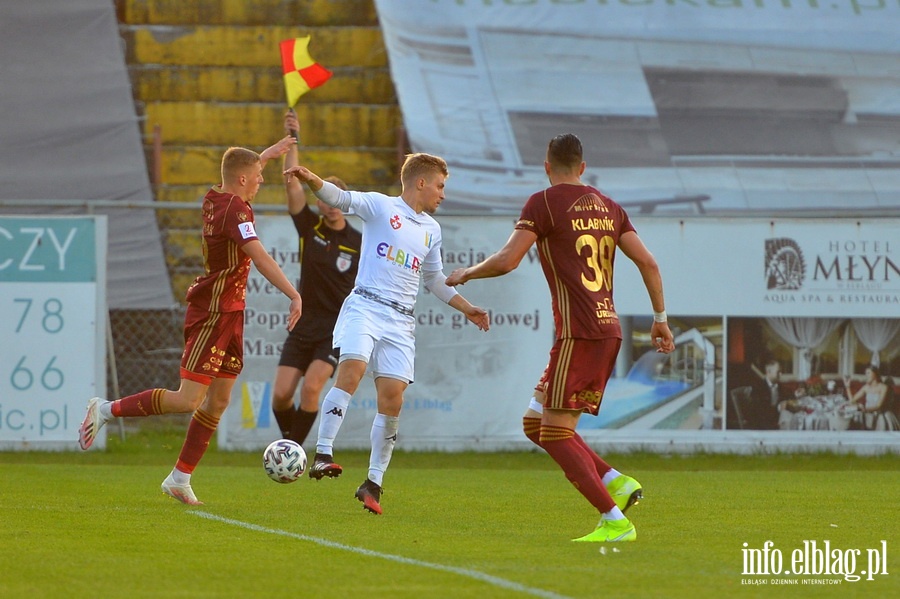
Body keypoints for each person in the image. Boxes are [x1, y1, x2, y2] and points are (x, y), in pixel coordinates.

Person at [445, 133, 674, 543]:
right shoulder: (610, 207)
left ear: (546, 165)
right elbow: (649, 263)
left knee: (554, 431)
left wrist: (466, 273)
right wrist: (660, 319)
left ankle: (614, 521)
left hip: (580, 334)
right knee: (535, 424)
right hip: (604, 329)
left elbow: (507, 260)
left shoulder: (544, 202)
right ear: (583, 167)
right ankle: (614, 480)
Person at [78, 136, 303, 506]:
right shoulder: (235, 211)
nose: (262, 181)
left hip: (231, 313)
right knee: (188, 400)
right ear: (243, 180)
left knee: (218, 401)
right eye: (258, 176)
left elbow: (239, 172)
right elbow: (260, 258)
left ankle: (179, 478)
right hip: (213, 313)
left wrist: (264, 155)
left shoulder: (218, 196)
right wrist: (293, 294)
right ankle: (105, 409)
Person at [284, 153, 490, 515]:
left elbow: (433, 280)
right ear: (421, 182)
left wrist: (467, 307)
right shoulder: (381, 207)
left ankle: (373, 483)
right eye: (440, 186)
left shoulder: (432, 229)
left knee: (393, 400)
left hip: (400, 321)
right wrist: (312, 181)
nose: (443, 194)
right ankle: (323, 453)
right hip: (365, 305)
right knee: (353, 369)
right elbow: (341, 198)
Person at [271, 110, 361, 447]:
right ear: (321, 201)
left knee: (312, 388)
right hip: (303, 323)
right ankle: (289, 445)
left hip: (334, 329)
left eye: (339, 199)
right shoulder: (311, 227)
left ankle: (291, 451)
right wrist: (293, 139)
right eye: (327, 198)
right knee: (281, 395)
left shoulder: (358, 242)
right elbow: (291, 182)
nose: (333, 206)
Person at [844, 365, 893, 430]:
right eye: (865, 373)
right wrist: (847, 386)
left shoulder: (883, 387)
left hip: (879, 416)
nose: (866, 375)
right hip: (867, 415)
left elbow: (878, 406)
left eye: (868, 373)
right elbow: (852, 401)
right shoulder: (866, 387)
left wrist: (864, 409)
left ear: (875, 374)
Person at [748, 359, 782, 430]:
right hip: (763, 425)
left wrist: (796, 394)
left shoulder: (778, 385)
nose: (781, 374)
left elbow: (785, 396)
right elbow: (759, 412)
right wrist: (778, 408)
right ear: (768, 372)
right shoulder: (758, 387)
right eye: (778, 372)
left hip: (777, 419)